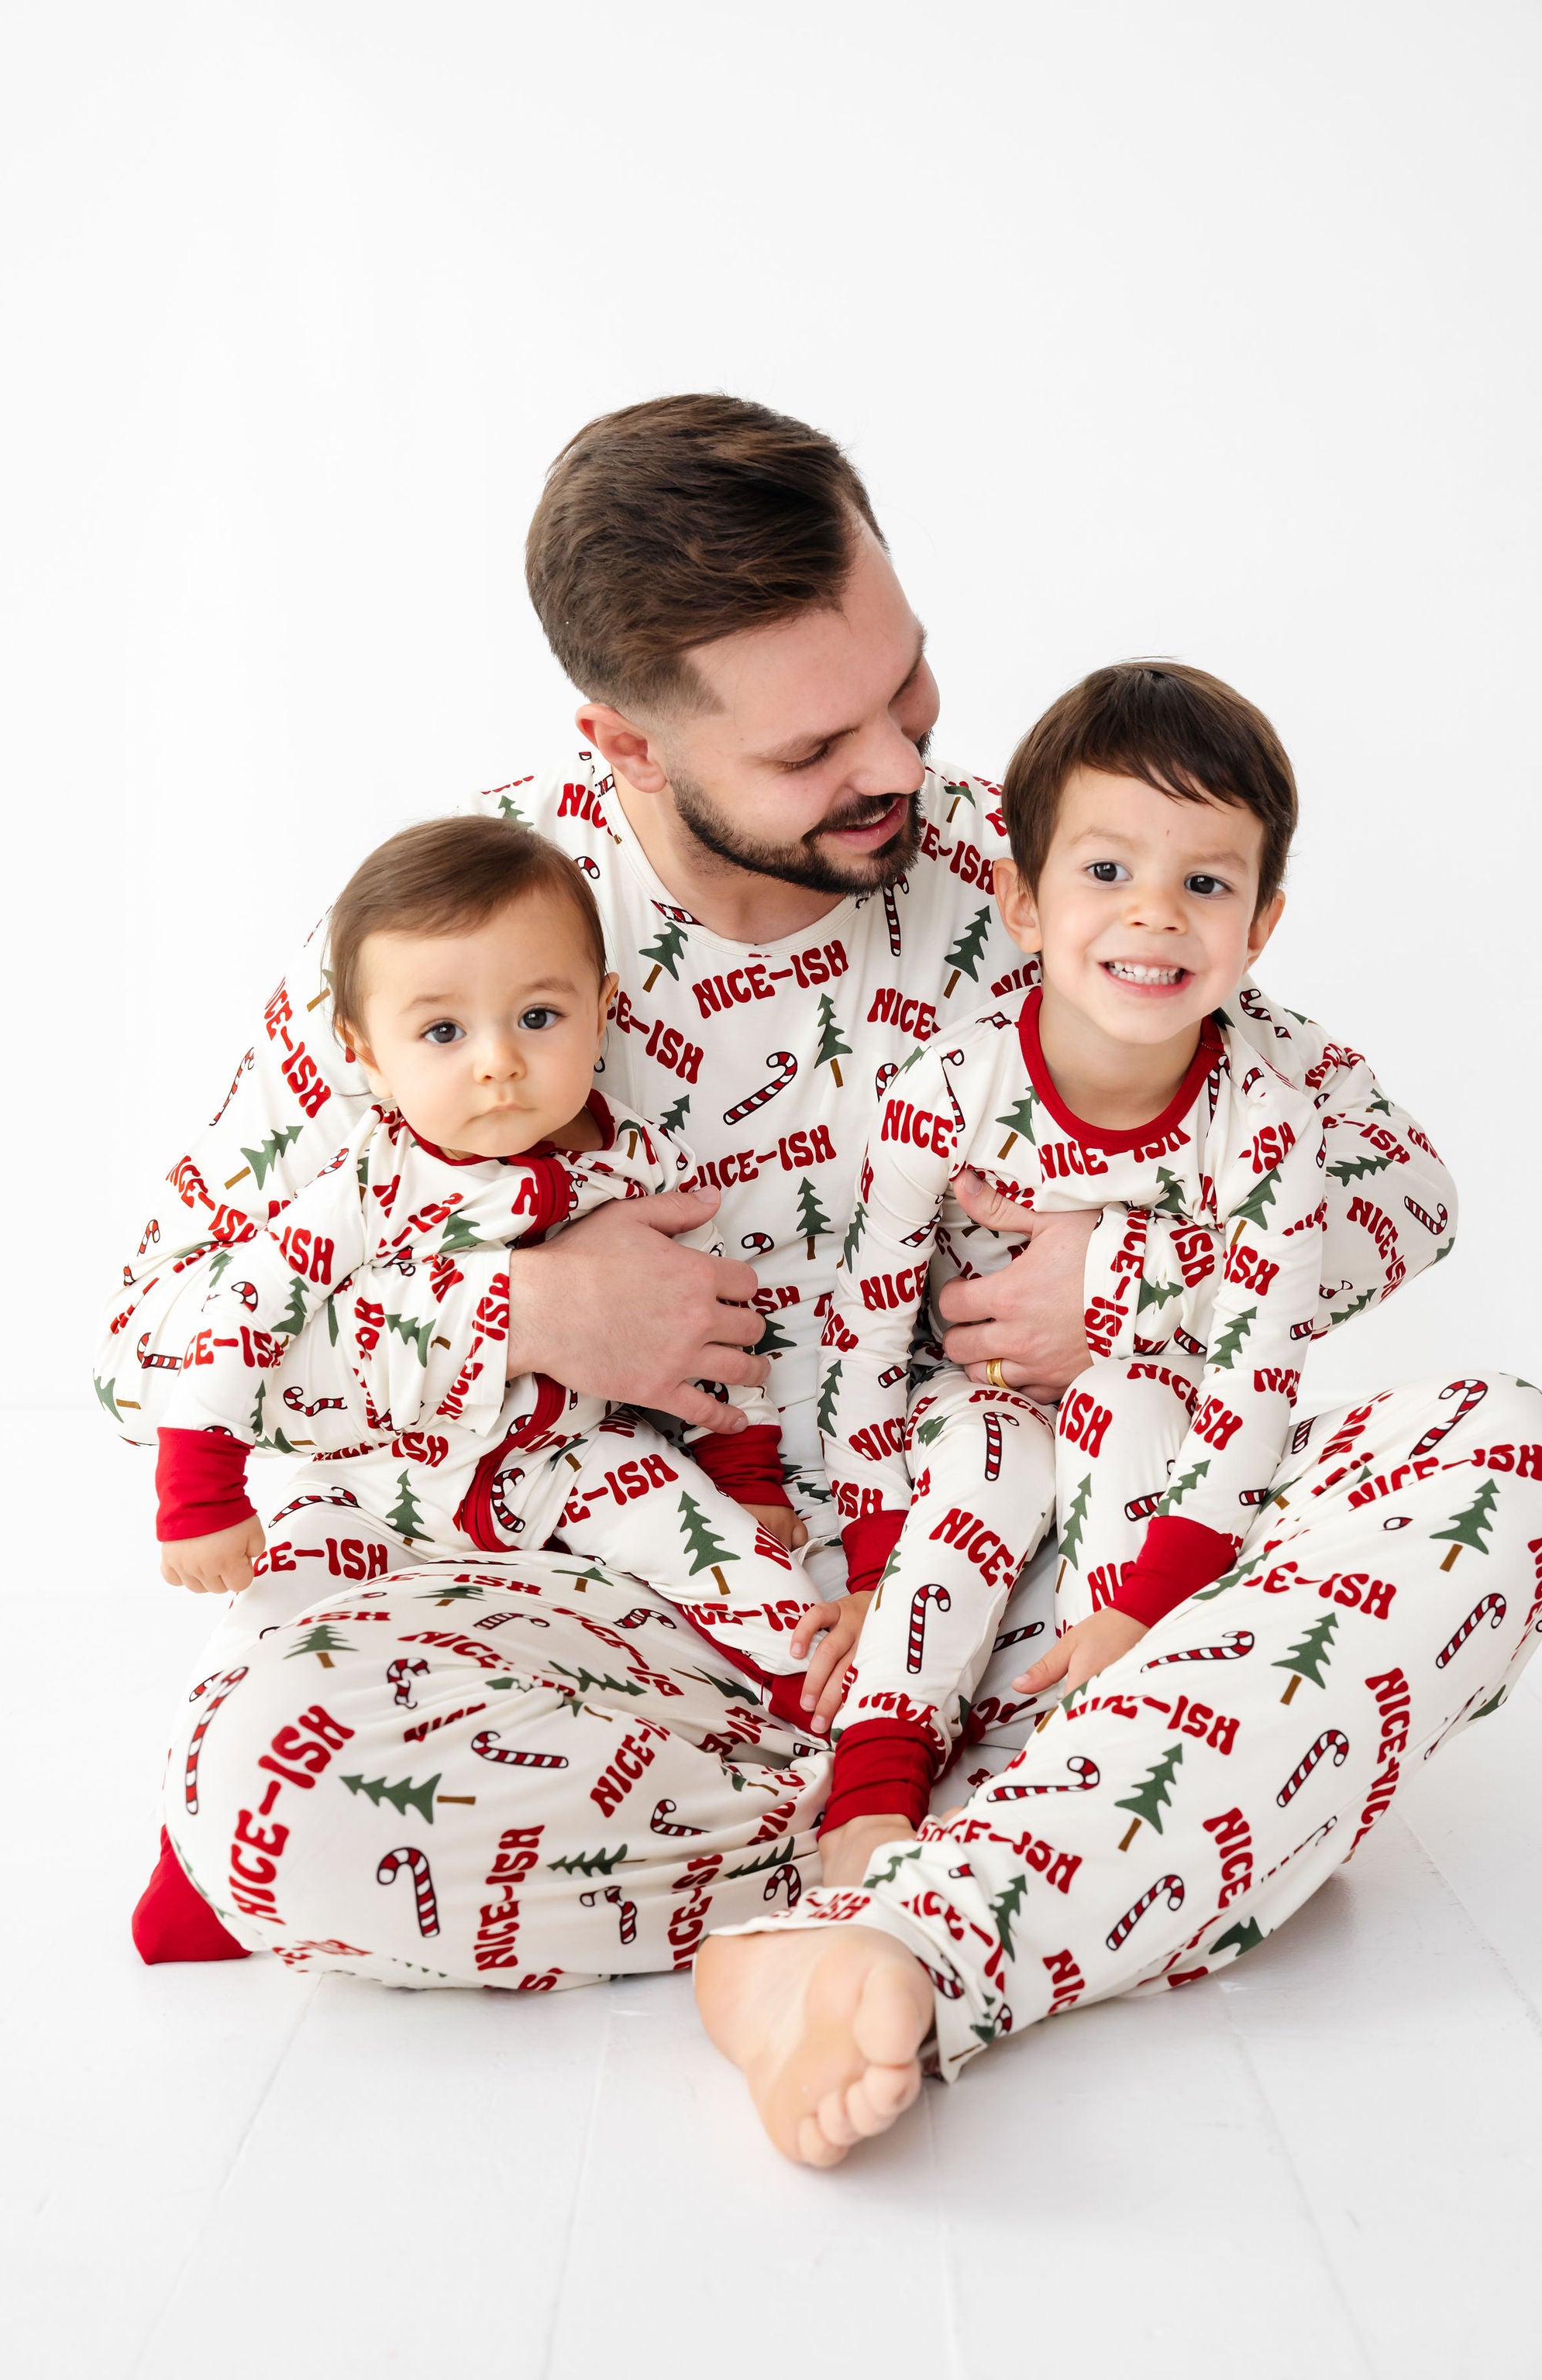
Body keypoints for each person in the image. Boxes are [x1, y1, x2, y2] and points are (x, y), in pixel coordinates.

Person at [99, 395, 1530, 2015]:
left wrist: (1133, 1280)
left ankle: (913, 1906)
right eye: (810, 748)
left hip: (1031, 1592)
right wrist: (519, 1316)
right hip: (658, 1640)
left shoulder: (1035, 862)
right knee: (255, 1783)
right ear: (625, 744)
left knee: (1498, 1460)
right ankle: (1073, 1852)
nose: (902, 768)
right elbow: (146, 1347)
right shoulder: (457, 931)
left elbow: (1395, 1192)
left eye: (905, 683)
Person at [814, 661, 1326, 1842]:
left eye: (1204, 881)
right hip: (974, 1403)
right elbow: (869, 1330)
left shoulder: (1267, 1127)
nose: (1155, 914)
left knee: (1129, 1403)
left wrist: (1142, 1604)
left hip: (1161, 1424)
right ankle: (876, 1784)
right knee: (989, 1457)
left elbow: (1254, 1379)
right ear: (1026, 902)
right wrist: (875, 1556)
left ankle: (1107, 1755)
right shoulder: (948, 1091)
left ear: (1260, 926)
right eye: (1107, 871)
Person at [153, 811, 824, 1694]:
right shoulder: (369, 1186)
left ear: (603, 1015)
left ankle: (827, 1730)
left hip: (578, 1461)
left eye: (538, 1016)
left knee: (768, 1591)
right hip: (375, 1478)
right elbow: (244, 1315)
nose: (498, 1062)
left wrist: (744, 1475)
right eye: (443, 1033)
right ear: (369, 1060)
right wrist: (200, 1494)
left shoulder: (638, 1164)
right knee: (270, 1656)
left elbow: (713, 1324)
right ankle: (219, 1822)